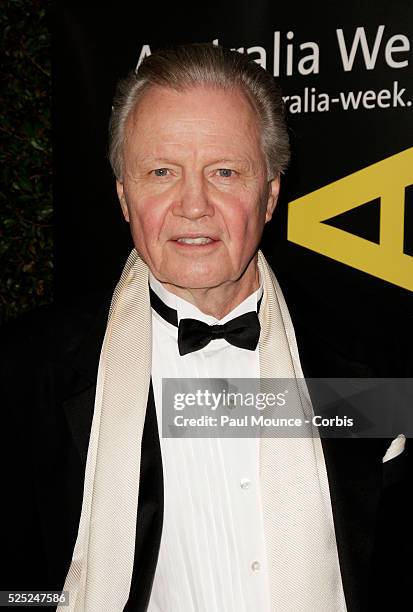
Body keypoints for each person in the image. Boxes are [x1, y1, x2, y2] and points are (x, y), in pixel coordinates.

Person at [1, 43, 409, 612]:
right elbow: (16, 587)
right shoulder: (29, 373)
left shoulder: (371, 345)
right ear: (124, 196)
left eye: (224, 171)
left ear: (269, 196)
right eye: (162, 172)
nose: (194, 204)